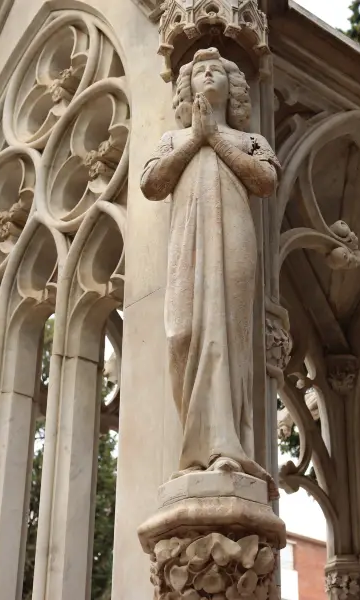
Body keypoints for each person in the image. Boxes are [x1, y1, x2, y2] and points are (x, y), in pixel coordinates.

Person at [140, 47, 279, 499]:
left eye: (215, 69)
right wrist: (195, 138)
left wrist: (212, 138)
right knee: (183, 333)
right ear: (187, 87)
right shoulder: (172, 140)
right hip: (188, 245)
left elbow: (265, 181)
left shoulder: (247, 140)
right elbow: (151, 184)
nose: (206, 75)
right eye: (198, 70)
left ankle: (226, 445)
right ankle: (194, 446)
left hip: (234, 240)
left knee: (228, 336)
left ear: (232, 85)